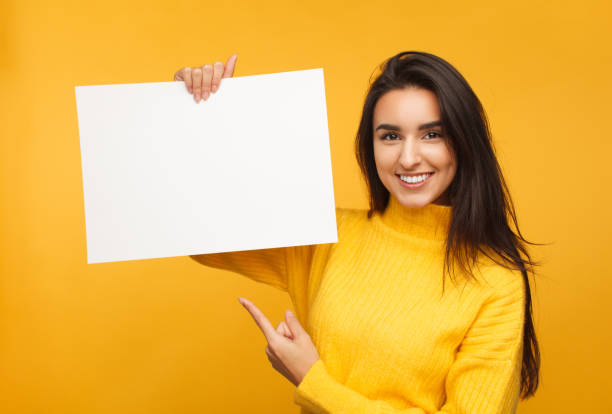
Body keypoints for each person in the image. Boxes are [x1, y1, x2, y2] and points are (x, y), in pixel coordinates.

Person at [175, 51, 541, 413]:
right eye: (390, 136)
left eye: (432, 134)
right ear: (371, 145)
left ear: (464, 143)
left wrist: (312, 380)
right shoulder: (326, 235)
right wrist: (196, 118)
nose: (409, 157)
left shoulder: (496, 280)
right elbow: (198, 234)